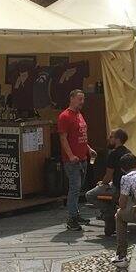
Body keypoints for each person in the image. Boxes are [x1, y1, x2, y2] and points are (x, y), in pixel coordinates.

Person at [57, 89, 96, 232]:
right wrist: (70, 155)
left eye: (83, 99)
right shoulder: (65, 116)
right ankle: (71, 219)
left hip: (83, 158)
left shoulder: (79, 115)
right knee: (74, 188)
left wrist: (89, 149)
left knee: (79, 188)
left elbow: (80, 136)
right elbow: (63, 138)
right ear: (72, 98)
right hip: (72, 161)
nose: (82, 102)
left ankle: (76, 214)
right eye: (80, 99)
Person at [85, 128, 131, 237]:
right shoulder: (128, 152)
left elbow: (108, 175)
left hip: (116, 188)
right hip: (127, 187)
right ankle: (110, 212)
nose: (109, 139)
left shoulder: (113, 154)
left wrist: (102, 183)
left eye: (111, 137)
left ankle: (108, 211)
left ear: (117, 139)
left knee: (89, 195)